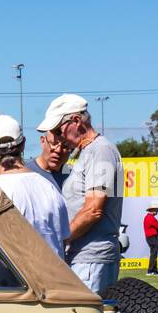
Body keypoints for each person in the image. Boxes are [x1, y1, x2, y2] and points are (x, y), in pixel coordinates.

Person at [38, 93, 124, 294]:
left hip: (92, 257)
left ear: (76, 121)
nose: (57, 137)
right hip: (84, 255)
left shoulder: (101, 150)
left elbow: (93, 210)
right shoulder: (89, 152)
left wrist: (59, 241)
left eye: (58, 130)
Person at [0, 116, 71, 258]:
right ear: (23, 144)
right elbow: (64, 239)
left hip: (11, 279)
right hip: (52, 278)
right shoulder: (51, 189)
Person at [143, 204, 158, 275]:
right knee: (154, 254)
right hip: (152, 237)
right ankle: (151, 270)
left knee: (153, 254)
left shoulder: (148, 217)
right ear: (152, 210)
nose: (157, 211)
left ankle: (154, 270)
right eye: (156, 210)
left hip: (150, 237)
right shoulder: (151, 218)